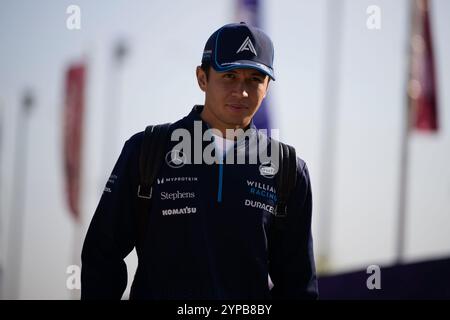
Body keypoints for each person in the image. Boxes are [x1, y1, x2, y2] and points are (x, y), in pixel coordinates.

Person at [81, 22, 318, 300]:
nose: (241, 91)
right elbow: (102, 255)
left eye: (254, 79)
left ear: (267, 87)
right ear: (202, 78)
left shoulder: (288, 169)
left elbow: (299, 285)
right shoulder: (147, 149)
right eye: (229, 76)